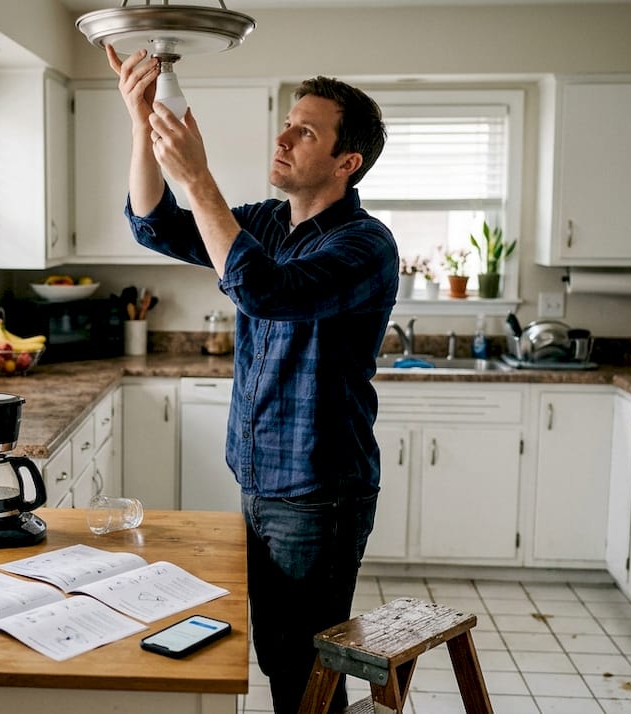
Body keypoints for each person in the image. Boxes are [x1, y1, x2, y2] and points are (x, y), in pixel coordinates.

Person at [105, 46, 400, 713]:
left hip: (320, 489)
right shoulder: (267, 222)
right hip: (261, 476)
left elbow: (265, 291)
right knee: (279, 651)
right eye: (288, 122)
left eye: (307, 131)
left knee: (305, 666)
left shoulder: (363, 243)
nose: (284, 136)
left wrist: (200, 176)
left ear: (346, 162)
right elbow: (154, 225)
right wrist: (140, 122)